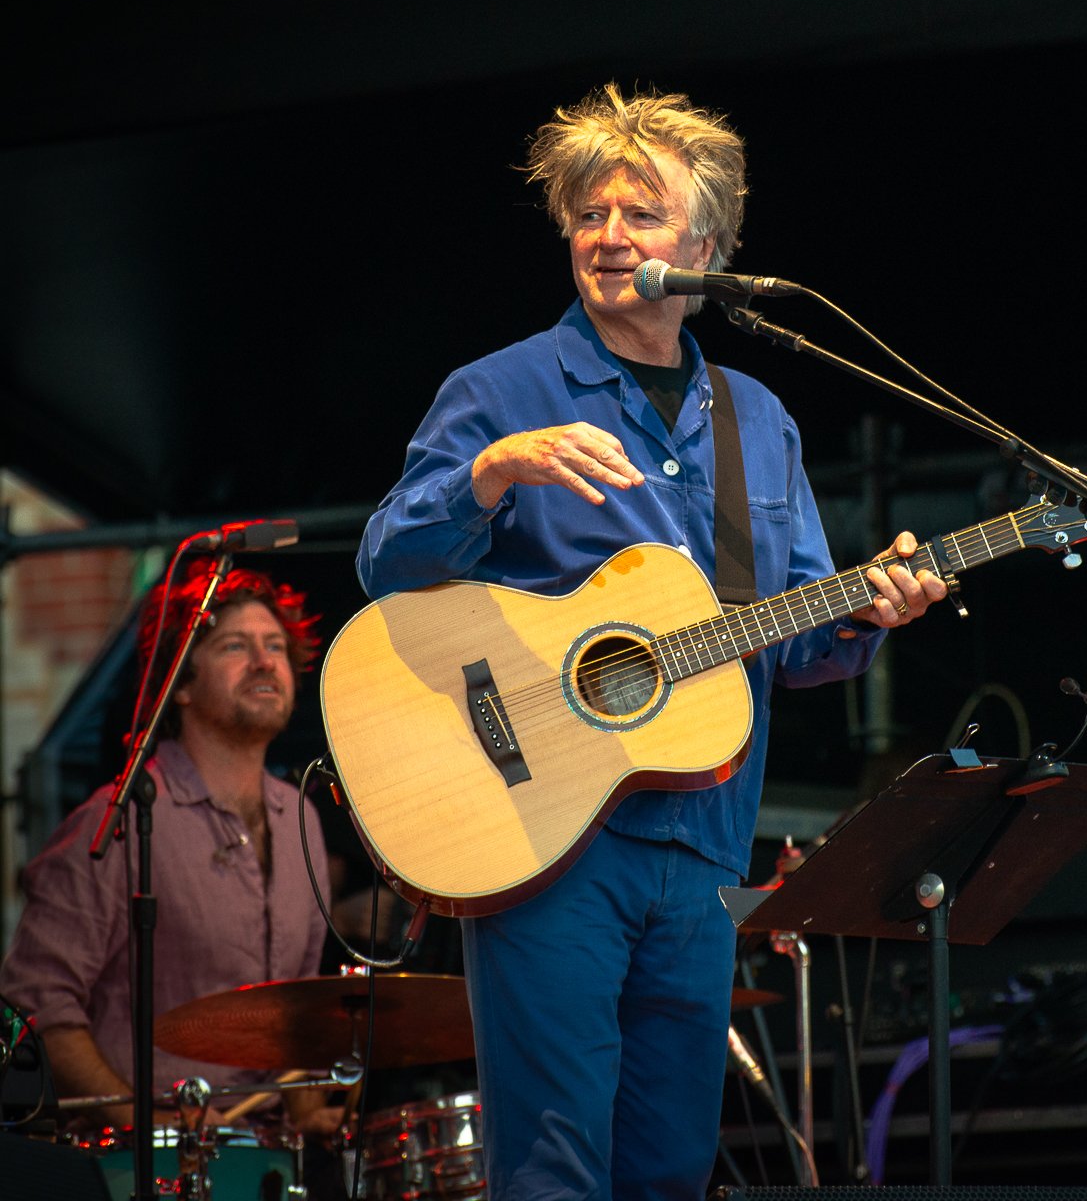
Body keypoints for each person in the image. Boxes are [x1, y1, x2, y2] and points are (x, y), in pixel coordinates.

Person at [355, 84, 946, 1201]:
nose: (610, 236)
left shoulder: (756, 418)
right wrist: (490, 473)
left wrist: (869, 612)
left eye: (641, 215)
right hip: (546, 834)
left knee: (671, 1168)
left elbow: (792, 637)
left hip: (708, 840)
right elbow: (386, 564)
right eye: (589, 215)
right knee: (554, 1168)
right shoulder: (500, 391)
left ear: (706, 252)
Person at [0, 566, 342, 1140]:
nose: (264, 662)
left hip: (263, 1158)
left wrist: (306, 1109)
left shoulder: (301, 818)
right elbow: (36, 1002)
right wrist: (147, 1125)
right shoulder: (117, 823)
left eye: (276, 646)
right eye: (235, 646)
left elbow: (296, 1008)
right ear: (180, 685)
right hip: (138, 1162)